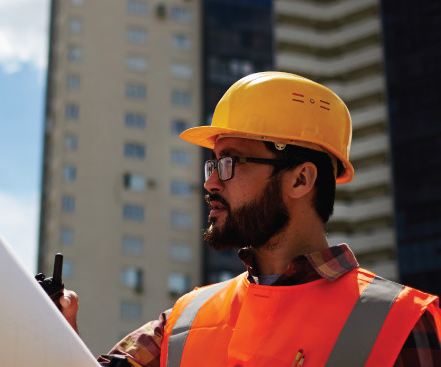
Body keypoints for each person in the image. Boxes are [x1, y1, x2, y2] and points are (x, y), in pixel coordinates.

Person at [67, 72, 441, 366]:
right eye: (211, 164)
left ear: (300, 179)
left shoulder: (400, 321)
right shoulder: (186, 317)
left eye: (231, 162)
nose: (211, 182)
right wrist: (53, 330)